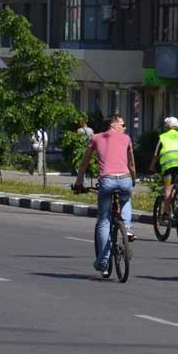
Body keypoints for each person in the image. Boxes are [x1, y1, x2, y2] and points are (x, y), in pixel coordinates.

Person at [74, 113, 136, 278]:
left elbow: (84, 162)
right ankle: (127, 227)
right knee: (126, 199)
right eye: (123, 125)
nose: (124, 128)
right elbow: (131, 163)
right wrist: (133, 180)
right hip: (124, 180)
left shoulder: (95, 138)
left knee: (104, 220)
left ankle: (102, 262)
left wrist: (79, 182)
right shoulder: (126, 138)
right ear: (114, 125)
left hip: (107, 181)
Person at [149, 116, 178, 218]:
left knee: (168, 188)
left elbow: (156, 155)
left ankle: (166, 213)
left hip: (169, 165)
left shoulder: (163, 137)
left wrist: (152, 167)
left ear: (167, 126)